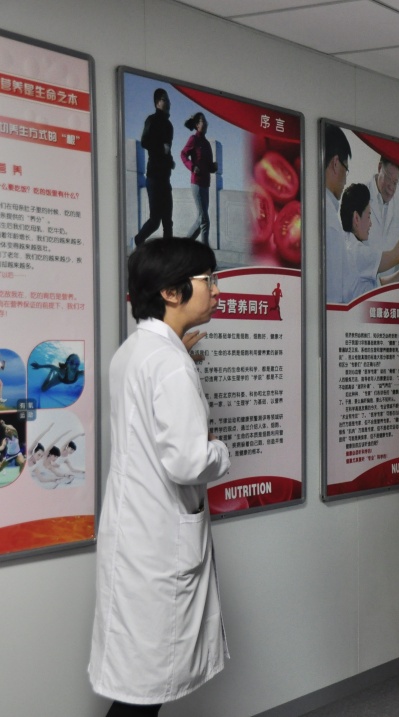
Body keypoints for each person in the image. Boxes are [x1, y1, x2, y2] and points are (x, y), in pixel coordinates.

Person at [89, 238, 231, 716]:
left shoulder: (136, 350)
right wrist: (221, 451)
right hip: (157, 545)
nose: (216, 290)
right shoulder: (168, 363)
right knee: (142, 697)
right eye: (207, 279)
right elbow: (188, 462)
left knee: (138, 691)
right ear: (171, 292)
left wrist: (180, 363)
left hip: (137, 535)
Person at [338, 183, 399, 296]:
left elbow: (373, 285)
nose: (370, 224)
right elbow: (397, 256)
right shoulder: (357, 252)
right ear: (356, 218)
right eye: (368, 216)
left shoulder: (347, 242)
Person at [133, 88, 175, 246]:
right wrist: (161, 148)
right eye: (165, 99)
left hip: (165, 178)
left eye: (168, 99)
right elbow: (145, 141)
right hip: (154, 177)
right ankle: (138, 240)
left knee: (168, 222)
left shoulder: (169, 126)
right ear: (157, 102)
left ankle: (168, 256)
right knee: (155, 220)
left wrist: (170, 160)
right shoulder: (151, 120)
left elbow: (167, 150)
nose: (168, 102)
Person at [181, 112, 215, 244]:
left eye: (206, 121)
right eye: (202, 121)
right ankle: (205, 252)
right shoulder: (193, 139)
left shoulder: (206, 144)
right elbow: (183, 154)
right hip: (197, 183)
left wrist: (214, 167)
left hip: (206, 184)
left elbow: (209, 166)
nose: (205, 123)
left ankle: (184, 246)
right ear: (197, 125)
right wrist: (192, 166)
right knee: (205, 220)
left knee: (201, 219)